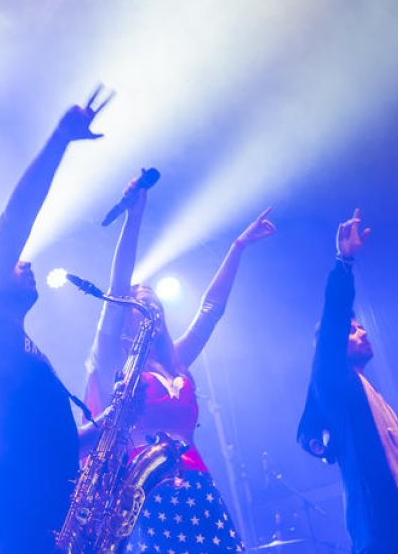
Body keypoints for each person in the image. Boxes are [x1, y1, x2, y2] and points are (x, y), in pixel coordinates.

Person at [0, 87, 113, 553]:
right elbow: (15, 222)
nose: (26, 262)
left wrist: (106, 426)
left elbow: (41, 439)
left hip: (49, 518)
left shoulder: (25, 348)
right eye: (14, 262)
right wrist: (60, 140)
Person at [82, 173, 275, 552]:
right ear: (128, 313)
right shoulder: (114, 364)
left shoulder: (176, 362)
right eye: (141, 300)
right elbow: (117, 288)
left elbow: (211, 311)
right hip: (147, 490)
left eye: (154, 299)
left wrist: (237, 247)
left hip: (198, 481)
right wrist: (134, 218)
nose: (150, 302)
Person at [297, 209, 398, 554]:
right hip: (384, 535)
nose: (362, 331)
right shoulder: (336, 382)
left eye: (360, 326)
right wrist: (343, 262)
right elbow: (332, 319)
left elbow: (383, 446)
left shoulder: (365, 391)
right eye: (351, 329)